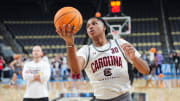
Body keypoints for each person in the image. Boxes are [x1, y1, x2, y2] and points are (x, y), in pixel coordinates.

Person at [56, 17, 149, 101]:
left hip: (124, 97)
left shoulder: (120, 43)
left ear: (104, 27)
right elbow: (75, 70)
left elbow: (146, 70)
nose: (90, 27)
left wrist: (135, 59)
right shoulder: (86, 50)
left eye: (94, 23)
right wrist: (70, 43)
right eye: (88, 26)